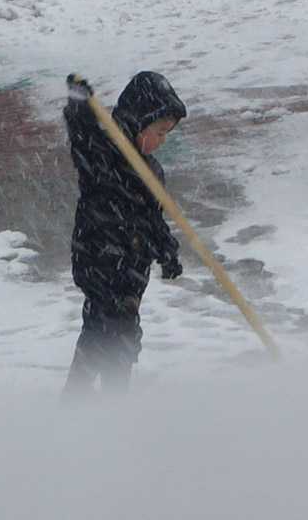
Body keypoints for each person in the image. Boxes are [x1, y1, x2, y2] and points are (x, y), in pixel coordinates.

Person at [60, 71, 187, 400]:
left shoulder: (152, 171)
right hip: (99, 262)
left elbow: (153, 218)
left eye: (166, 135)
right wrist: (79, 106)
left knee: (105, 334)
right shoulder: (102, 156)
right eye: (158, 132)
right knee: (113, 333)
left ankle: (82, 401)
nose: (161, 141)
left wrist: (166, 248)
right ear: (137, 121)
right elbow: (82, 135)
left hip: (132, 269)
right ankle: (108, 406)